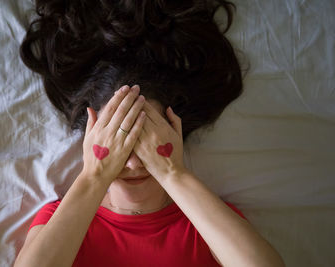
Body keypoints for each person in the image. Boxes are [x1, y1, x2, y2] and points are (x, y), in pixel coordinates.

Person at [15, 0, 286, 266]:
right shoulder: (60, 220)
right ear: (93, 134)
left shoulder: (209, 221)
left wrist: (173, 173)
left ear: (173, 130)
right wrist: (94, 175)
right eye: (122, 140)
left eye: (145, 138)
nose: (133, 163)